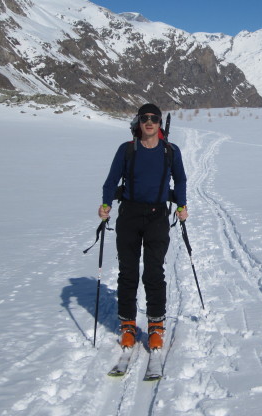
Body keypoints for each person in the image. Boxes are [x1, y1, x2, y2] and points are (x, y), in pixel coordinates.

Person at [99, 103, 188, 350]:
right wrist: (105, 204)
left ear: (160, 123)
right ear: (138, 122)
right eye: (144, 118)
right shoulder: (127, 150)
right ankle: (127, 325)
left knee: (153, 272)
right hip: (129, 215)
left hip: (157, 217)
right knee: (128, 273)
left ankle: (156, 327)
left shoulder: (170, 151)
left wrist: (181, 206)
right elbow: (111, 181)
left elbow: (180, 179)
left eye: (154, 118)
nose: (149, 122)